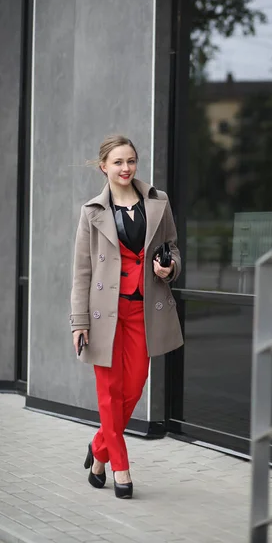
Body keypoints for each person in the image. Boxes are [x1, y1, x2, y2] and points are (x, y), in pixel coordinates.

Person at [70, 134, 183, 499]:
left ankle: (99, 449)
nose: (126, 168)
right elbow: (82, 271)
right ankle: (120, 468)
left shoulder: (157, 202)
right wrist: (79, 321)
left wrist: (170, 269)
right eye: (118, 162)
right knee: (109, 392)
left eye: (131, 160)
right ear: (104, 166)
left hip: (143, 310)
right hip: (104, 314)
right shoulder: (92, 212)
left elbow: (173, 248)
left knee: (133, 387)